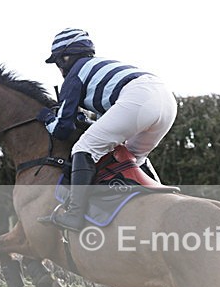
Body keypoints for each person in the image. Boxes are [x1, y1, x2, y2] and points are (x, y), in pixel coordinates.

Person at [36, 28, 178, 231]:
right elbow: (107, 127)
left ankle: (74, 215)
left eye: (58, 62)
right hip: (165, 99)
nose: (59, 68)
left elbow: (62, 129)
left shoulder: (75, 75)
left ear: (66, 57)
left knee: (83, 148)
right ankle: (166, 203)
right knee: (133, 156)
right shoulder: (100, 69)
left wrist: (46, 116)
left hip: (139, 98)